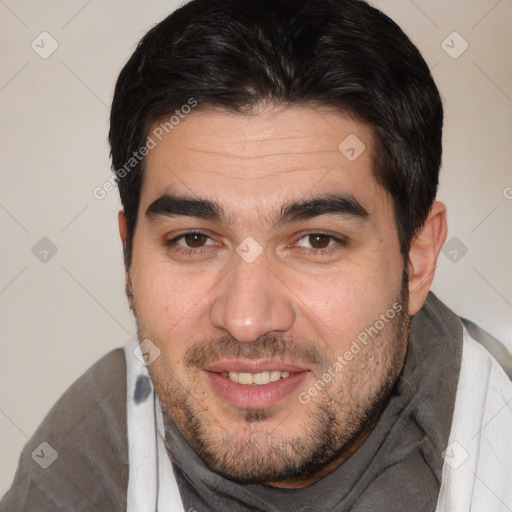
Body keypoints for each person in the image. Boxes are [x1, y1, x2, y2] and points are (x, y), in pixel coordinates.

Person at [1, 0, 511, 510]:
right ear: (129, 258)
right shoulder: (87, 458)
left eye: (317, 240)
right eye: (194, 240)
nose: (245, 320)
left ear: (417, 259)